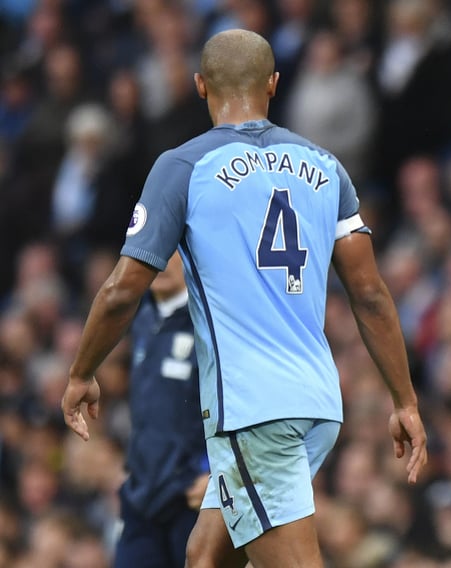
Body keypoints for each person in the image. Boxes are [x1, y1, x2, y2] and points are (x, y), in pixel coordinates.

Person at [60, 28, 428, 568]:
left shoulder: (183, 167)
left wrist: (80, 372)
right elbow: (370, 295)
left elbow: (120, 292)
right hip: (319, 403)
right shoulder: (326, 166)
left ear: (200, 86)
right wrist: (405, 401)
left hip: (254, 409)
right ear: (274, 85)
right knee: (206, 557)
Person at [113, 252, 209, 568]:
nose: (163, 262)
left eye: (173, 253)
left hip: (191, 497)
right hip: (142, 495)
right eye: (157, 251)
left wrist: (215, 470)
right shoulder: (142, 319)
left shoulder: (209, 324)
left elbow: (233, 402)